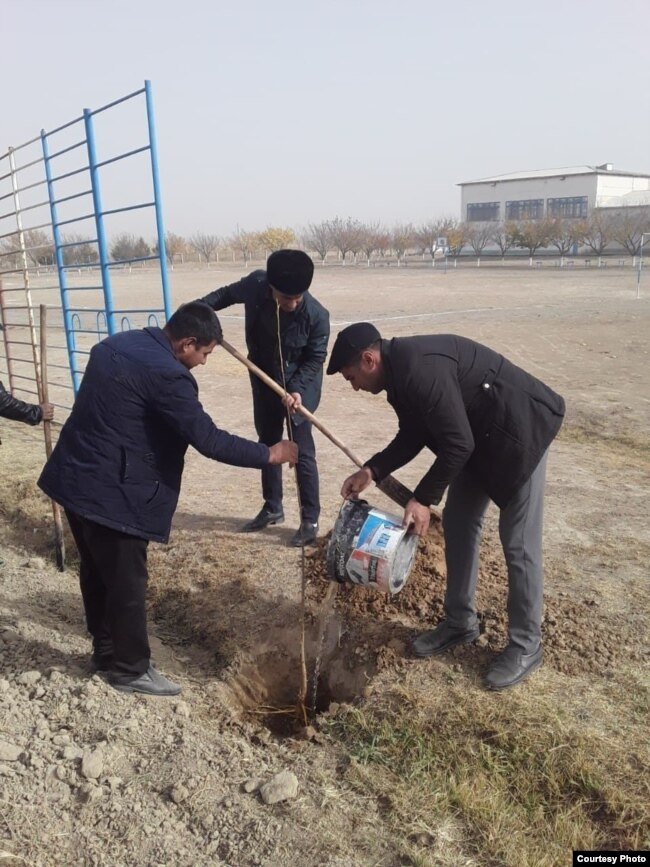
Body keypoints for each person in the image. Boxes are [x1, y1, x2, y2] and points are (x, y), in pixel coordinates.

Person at [38, 302, 298, 697]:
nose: (205, 363)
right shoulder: (168, 376)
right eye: (205, 354)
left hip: (74, 477)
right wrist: (271, 454)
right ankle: (129, 670)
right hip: (114, 493)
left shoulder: (114, 345)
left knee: (95, 571)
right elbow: (209, 439)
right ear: (186, 343)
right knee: (127, 581)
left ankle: (106, 653)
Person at [327, 323, 565, 691]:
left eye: (350, 377)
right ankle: (460, 623)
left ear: (368, 359)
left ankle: (526, 644)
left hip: (519, 433)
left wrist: (422, 499)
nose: (353, 385)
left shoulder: (418, 369)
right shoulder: (399, 375)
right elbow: (414, 434)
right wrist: (371, 470)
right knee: (458, 521)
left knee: (518, 544)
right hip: (477, 438)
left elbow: (456, 443)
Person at [200, 249, 329, 547]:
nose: (293, 304)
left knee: (301, 449)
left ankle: (310, 519)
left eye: (298, 297)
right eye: (286, 298)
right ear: (271, 287)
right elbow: (222, 296)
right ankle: (273, 507)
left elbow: (315, 359)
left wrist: (296, 390)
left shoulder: (317, 316)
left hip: (300, 388)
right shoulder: (255, 284)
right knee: (269, 443)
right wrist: (197, 312)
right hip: (262, 379)